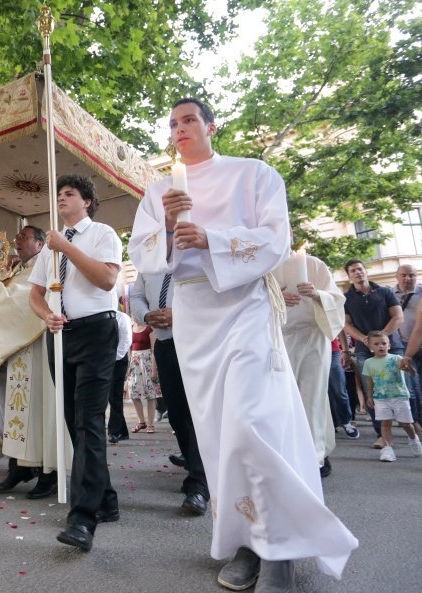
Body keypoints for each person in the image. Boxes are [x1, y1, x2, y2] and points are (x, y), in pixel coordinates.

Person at [129, 97, 357, 590]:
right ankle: (248, 541)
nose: (180, 129)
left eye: (188, 120)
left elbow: (275, 238)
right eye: (172, 124)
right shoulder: (158, 191)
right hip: (193, 316)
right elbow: (143, 256)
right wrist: (169, 227)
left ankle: (279, 549)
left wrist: (211, 238)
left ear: (211, 125)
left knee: (255, 422)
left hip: (245, 307)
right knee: (220, 434)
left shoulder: (254, 173)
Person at [29, 174, 122, 551]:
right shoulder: (51, 245)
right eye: (59, 194)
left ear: (86, 201)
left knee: (89, 423)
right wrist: (45, 315)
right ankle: (106, 500)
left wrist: (66, 249)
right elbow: (35, 294)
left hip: (97, 332)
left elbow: (105, 280)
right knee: (74, 422)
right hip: (60, 335)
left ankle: (82, 520)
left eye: (69, 193)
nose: (62, 198)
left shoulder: (102, 233)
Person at [0, 225, 63, 499]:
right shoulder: (16, 272)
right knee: (17, 411)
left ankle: (49, 473)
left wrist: (0, 287)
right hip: (16, 350)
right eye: (17, 238)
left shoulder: (49, 266)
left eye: (24, 237)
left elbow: (22, 303)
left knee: (40, 409)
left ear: (40, 244)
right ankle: (19, 466)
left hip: (37, 347)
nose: (17, 242)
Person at [130, 270, 209, 516]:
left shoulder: (195, 254)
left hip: (196, 340)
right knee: (176, 412)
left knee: (199, 413)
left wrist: (180, 315)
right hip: (165, 343)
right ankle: (195, 463)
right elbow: (137, 295)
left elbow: (211, 295)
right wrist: (146, 314)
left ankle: (199, 484)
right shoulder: (149, 262)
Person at [273, 249, 347, 478]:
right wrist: (276, 298)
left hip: (313, 336)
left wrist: (317, 294)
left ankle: (314, 457)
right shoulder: (264, 266)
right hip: (279, 338)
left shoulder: (314, 264)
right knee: (283, 400)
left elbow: (336, 298)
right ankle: (287, 453)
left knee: (312, 397)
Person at [343, 259, 405, 448]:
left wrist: (381, 338)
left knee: (405, 387)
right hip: (364, 352)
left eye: (360, 269)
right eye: (353, 271)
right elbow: (346, 324)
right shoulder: (346, 298)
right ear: (349, 276)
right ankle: (382, 435)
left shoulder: (385, 292)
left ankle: (413, 426)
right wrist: (365, 340)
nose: (358, 272)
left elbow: (398, 316)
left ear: (365, 271)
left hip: (393, 347)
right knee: (372, 391)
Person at [362, 331, 421, 462]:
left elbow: (412, 374)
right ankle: (388, 449)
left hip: (399, 396)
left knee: (405, 423)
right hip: (381, 398)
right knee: (385, 423)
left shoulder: (397, 358)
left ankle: (413, 439)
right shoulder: (368, 363)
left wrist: (408, 367)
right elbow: (369, 380)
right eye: (376, 344)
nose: (380, 346)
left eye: (384, 343)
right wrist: (369, 396)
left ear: (389, 345)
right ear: (370, 347)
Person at [394, 264, 422, 433]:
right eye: (403, 275)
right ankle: (415, 420)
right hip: (402, 345)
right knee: (410, 386)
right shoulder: (389, 294)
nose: (407, 278)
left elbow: (419, 329)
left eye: (411, 275)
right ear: (397, 276)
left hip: (419, 343)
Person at [125, 321, 160, 433]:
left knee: (151, 394)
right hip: (134, 362)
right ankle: (141, 422)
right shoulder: (130, 328)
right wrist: (128, 368)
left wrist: (154, 370)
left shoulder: (149, 329)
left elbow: (154, 350)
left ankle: (150, 424)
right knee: (133, 392)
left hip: (147, 362)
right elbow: (129, 350)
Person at [108, 310, 132, 444]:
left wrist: (112, 359)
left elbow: (126, 341)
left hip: (118, 360)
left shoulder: (122, 318)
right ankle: (122, 430)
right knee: (111, 397)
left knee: (115, 396)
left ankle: (114, 431)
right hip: (104, 360)